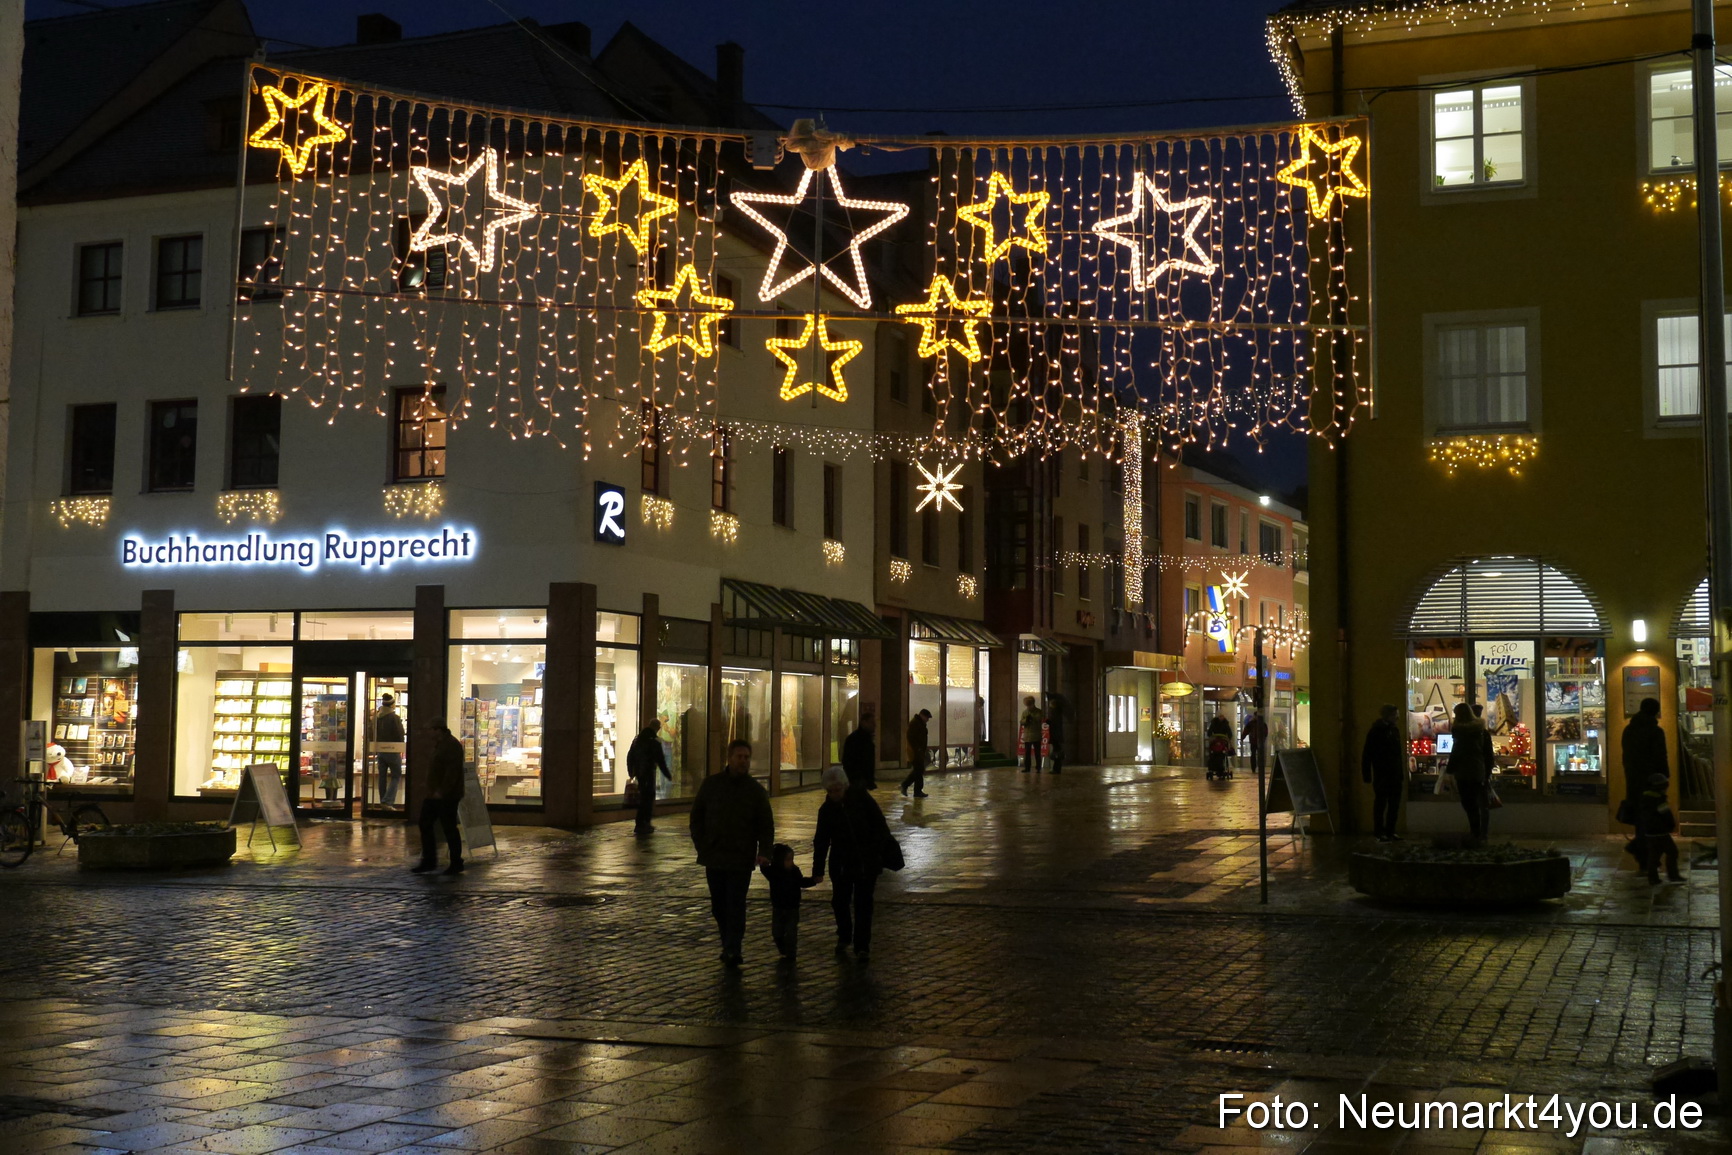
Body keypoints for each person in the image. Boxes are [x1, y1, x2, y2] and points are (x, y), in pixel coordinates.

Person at [689, 739, 774, 967]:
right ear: (730, 758)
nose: (743, 761)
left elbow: (766, 825)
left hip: (740, 858)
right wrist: (702, 844)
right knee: (719, 905)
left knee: (736, 904)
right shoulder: (712, 785)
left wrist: (765, 851)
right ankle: (728, 942)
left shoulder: (755, 791)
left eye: (746, 757)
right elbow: (697, 817)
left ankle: (732, 948)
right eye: (739, 757)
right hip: (715, 856)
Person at [813, 764, 894, 960]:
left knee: (863, 904)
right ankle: (844, 934)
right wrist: (818, 868)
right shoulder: (826, 810)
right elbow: (821, 840)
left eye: (837, 790)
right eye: (830, 791)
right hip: (841, 863)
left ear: (845, 786)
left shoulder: (861, 799)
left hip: (866, 861)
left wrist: (875, 849)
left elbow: (880, 825)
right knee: (840, 901)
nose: (834, 794)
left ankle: (862, 945)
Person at [412, 720, 466, 875]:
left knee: (448, 827)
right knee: (426, 823)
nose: (428, 733)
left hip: (446, 795)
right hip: (435, 794)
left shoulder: (451, 745)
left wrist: (442, 791)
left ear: (438, 730)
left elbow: (452, 772)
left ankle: (455, 862)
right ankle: (429, 861)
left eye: (431, 729)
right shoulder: (441, 744)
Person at [760, 843, 819, 960]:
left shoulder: (794, 871)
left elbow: (801, 882)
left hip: (792, 907)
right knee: (777, 932)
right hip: (778, 906)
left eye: (791, 859)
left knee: (791, 932)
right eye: (788, 860)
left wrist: (813, 880)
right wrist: (763, 863)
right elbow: (765, 870)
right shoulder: (774, 872)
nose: (791, 862)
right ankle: (783, 948)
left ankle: (791, 953)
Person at [1447, 702, 1495, 843]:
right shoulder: (1481, 731)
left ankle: (1475, 832)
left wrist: (1449, 770)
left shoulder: (1459, 731)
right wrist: (1487, 772)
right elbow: (1488, 754)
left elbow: (1457, 753)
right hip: (1478, 771)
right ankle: (1480, 834)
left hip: (1463, 771)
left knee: (1468, 803)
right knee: (1480, 804)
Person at [1361, 704, 1406, 841]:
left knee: (1392, 804)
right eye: (1395, 715)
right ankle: (1381, 831)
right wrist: (1367, 774)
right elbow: (1367, 754)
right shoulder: (1377, 732)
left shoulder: (1392, 730)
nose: (1397, 717)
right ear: (1388, 716)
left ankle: (1388, 831)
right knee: (1382, 803)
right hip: (1383, 774)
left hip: (1391, 773)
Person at [1635, 771, 1683, 884]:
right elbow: (1666, 814)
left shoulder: (1645, 797)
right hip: (1661, 832)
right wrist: (1670, 826)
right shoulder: (1658, 799)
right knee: (1672, 852)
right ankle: (1673, 875)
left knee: (1654, 855)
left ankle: (1653, 878)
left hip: (1650, 832)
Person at [626, 719, 672, 836]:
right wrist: (667, 774)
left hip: (639, 774)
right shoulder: (654, 741)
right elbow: (660, 761)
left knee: (643, 797)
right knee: (647, 798)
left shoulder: (637, 739)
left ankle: (641, 823)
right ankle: (643, 823)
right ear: (657, 728)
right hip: (648, 773)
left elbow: (630, 755)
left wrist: (631, 771)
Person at [374, 693, 405, 807]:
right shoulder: (394, 718)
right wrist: (401, 747)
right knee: (396, 775)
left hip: (380, 751)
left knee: (382, 777)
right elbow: (399, 734)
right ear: (392, 704)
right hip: (392, 750)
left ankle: (383, 800)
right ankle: (387, 801)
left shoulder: (376, 717)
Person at [842, 705, 878, 790]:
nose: (874, 725)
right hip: (857, 782)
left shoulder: (866, 739)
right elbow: (848, 761)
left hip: (860, 781)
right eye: (871, 722)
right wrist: (857, 779)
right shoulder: (856, 739)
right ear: (863, 723)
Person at [901, 708, 932, 797]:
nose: (928, 720)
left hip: (919, 751)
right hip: (915, 752)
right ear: (922, 715)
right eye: (927, 717)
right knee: (919, 770)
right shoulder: (915, 724)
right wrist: (918, 749)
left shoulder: (919, 723)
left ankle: (914, 789)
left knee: (918, 770)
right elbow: (911, 738)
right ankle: (911, 787)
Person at [1018, 696, 1044, 773]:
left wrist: (1032, 718)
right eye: (1027, 705)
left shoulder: (1039, 711)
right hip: (1027, 735)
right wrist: (1026, 720)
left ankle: (1038, 767)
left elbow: (1039, 719)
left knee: (1037, 752)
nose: (1028, 707)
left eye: (1029, 705)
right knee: (1027, 752)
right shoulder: (1025, 712)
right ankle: (1027, 767)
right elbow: (1022, 722)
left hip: (1036, 735)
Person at [1242, 709, 1269, 778]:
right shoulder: (1260, 724)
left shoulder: (1253, 723)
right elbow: (1265, 732)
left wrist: (1243, 737)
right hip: (1256, 741)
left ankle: (1256, 767)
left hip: (1255, 741)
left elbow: (1246, 731)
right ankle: (1255, 767)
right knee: (1256, 754)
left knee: (1255, 755)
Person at [1044, 692, 1067, 774]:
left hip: (1055, 735)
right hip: (1057, 735)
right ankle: (1056, 768)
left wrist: (1048, 721)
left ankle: (1056, 769)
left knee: (1057, 751)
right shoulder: (1057, 713)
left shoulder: (1055, 713)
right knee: (1057, 751)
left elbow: (1054, 723)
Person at [1206, 713, 1233, 779]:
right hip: (1217, 740)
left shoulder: (1225, 724)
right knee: (1217, 755)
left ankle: (1219, 768)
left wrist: (1228, 738)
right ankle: (1216, 768)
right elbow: (1209, 732)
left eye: (1222, 716)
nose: (1221, 717)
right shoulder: (1214, 723)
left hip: (1222, 741)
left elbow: (1229, 733)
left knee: (1220, 755)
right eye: (1220, 716)